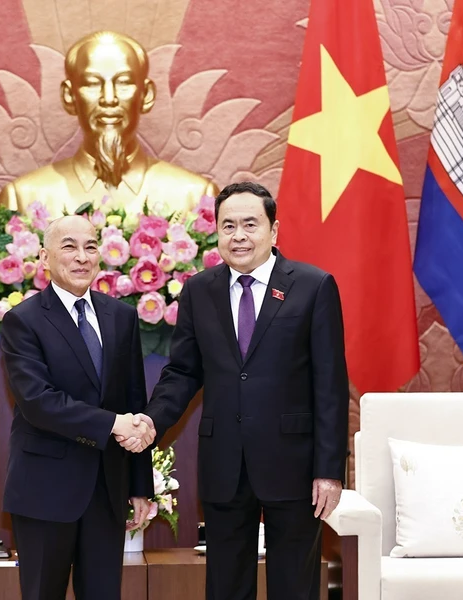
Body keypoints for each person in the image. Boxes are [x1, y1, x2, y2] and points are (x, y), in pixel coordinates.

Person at [120, 182, 349, 600]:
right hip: (224, 462)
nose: (238, 235)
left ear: (273, 231)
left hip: (294, 463)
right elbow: (183, 372)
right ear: (218, 233)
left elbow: (331, 384)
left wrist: (330, 469)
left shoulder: (313, 287)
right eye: (228, 226)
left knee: (295, 585)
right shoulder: (199, 291)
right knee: (226, 585)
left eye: (250, 224)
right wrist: (152, 420)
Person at [0, 215, 156, 600]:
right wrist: (114, 424)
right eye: (69, 246)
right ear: (45, 258)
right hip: (45, 490)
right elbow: (38, 401)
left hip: (107, 489)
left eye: (90, 246)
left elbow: (134, 401)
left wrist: (139, 486)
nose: (82, 257)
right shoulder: (23, 321)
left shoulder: (121, 317)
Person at [0, 30, 218, 218]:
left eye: (123, 83)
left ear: (146, 95)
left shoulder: (197, 198)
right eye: (92, 84)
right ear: (69, 96)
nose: (109, 98)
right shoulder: (23, 198)